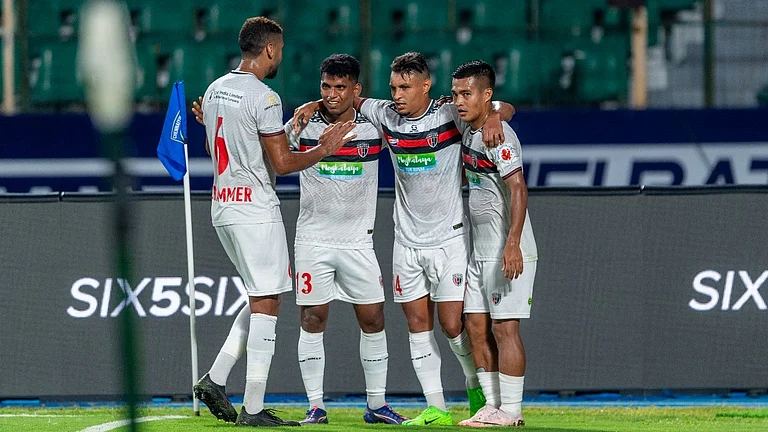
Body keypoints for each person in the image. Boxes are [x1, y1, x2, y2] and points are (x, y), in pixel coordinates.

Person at [293, 52, 515, 426]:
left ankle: (475, 387)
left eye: (405, 88)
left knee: (451, 325)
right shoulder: (384, 115)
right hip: (406, 241)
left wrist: (495, 114)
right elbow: (343, 98)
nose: (397, 94)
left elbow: (502, 105)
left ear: (426, 86)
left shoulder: (449, 115)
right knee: (416, 323)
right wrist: (313, 103)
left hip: (449, 238)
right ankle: (438, 407)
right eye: (394, 87)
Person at [192, 16, 356, 427]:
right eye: (279, 49)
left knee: (260, 296)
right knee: (268, 303)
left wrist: (284, 130)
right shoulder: (265, 97)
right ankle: (251, 409)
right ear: (268, 49)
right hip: (254, 210)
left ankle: (215, 378)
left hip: (223, 207)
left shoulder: (215, 90)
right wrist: (326, 146)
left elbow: (238, 139)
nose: (280, 54)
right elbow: (281, 164)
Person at [284, 53, 407, 425]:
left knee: (373, 319)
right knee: (312, 318)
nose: (332, 95)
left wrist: (496, 112)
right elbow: (265, 151)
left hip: (358, 243)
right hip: (313, 240)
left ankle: (375, 405)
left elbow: (413, 117)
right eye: (326, 87)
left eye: (341, 87)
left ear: (356, 89)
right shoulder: (300, 125)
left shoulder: (375, 127)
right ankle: (316, 406)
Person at [450, 60, 537, 428]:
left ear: (486, 94)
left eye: (466, 93)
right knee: (473, 325)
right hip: (479, 251)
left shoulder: (499, 138)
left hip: (506, 249)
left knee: (505, 330)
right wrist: (495, 113)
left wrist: (513, 243)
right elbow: (505, 106)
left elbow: (518, 187)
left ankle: (512, 411)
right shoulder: (471, 127)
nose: (458, 101)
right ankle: (491, 405)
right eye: (455, 93)